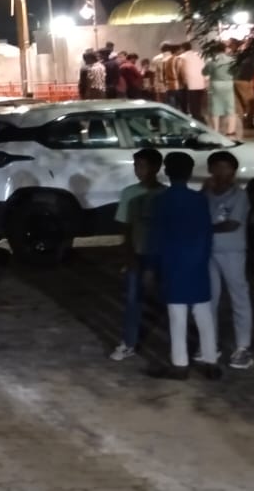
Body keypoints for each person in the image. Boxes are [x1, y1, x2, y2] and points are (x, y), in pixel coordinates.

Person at [149, 152, 222, 380]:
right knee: (204, 313)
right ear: (190, 173)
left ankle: (180, 364)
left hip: (173, 263)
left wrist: (153, 266)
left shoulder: (162, 200)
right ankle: (211, 361)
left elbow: (157, 237)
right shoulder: (199, 200)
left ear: (166, 171)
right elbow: (207, 233)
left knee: (177, 316)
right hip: (197, 262)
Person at [110, 148, 165, 361]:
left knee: (168, 299)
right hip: (138, 253)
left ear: (156, 168)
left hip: (160, 255)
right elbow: (125, 227)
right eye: (136, 166)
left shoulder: (165, 194)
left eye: (142, 166)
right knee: (133, 299)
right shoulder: (129, 193)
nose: (138, 170)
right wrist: (128, 255)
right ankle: (129, 342)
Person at [205, 151, 253, 369]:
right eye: (217, 167)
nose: (221, 172)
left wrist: (204, 229)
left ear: (233, 171)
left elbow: (232, 224)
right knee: (210, 300)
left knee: (238, 297)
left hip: (232, 252)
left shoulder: (239, 195)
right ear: (210, 169)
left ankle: (242, 347)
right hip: (209, 252)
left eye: (225, 168)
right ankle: (210, 343)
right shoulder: (207, 193)